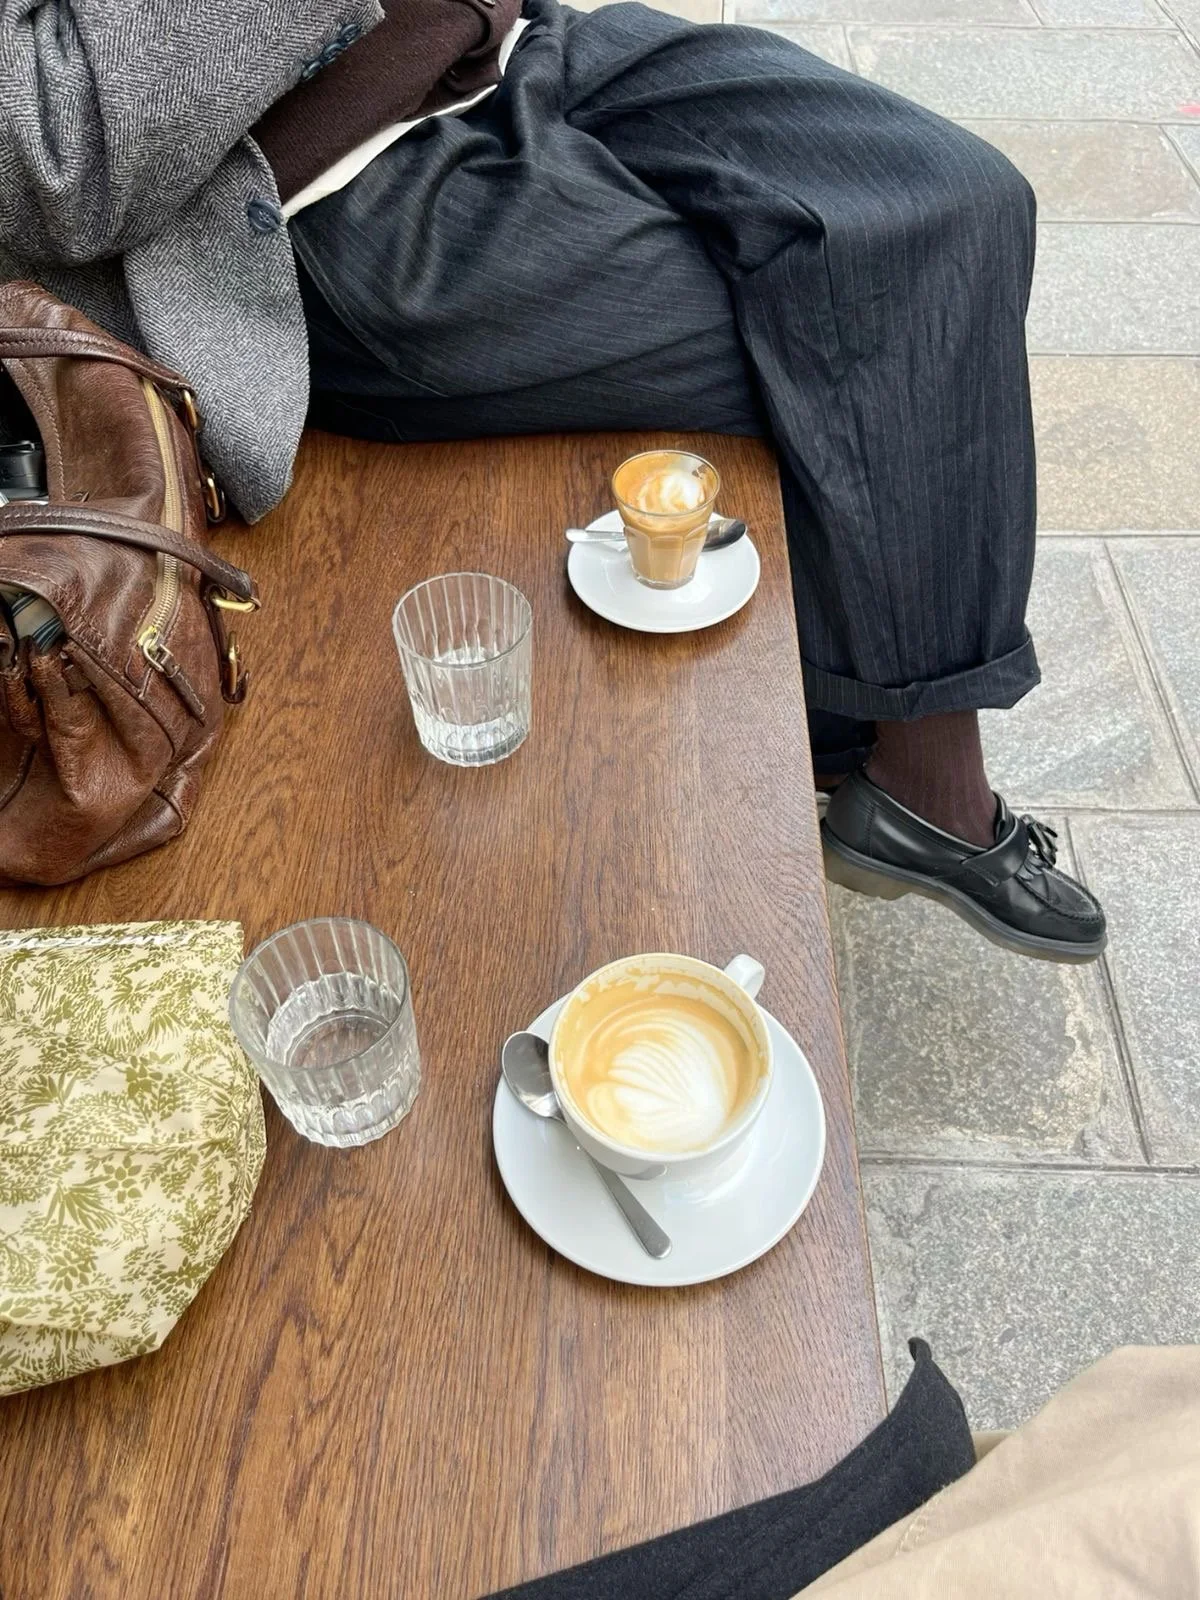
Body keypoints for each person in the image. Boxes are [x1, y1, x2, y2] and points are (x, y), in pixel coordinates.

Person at [0, 0, 1106, 962]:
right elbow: (48, 150)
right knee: (847, 335)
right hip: (307, 210)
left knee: (960, 201)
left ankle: (890, 749)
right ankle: (916, 775)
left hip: (511, 52)